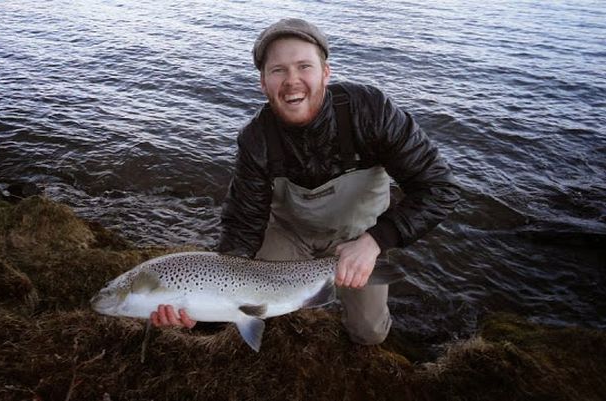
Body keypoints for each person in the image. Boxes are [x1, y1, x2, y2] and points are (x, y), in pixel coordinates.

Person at [151, 18, 460, 344]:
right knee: (258, 309)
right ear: (263, 83)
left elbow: (438, 188)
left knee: (369, 333)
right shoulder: (256, 140)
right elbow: (242, 228)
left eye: (304, 66)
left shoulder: (371, 112)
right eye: (278, 70)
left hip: (359, 237)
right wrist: (202, 317)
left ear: (326, 73)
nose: (292, 81)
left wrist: (376, 241)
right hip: (290, 234)